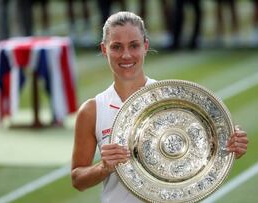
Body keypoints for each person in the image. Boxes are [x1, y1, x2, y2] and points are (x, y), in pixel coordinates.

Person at [71, 11, 248, 203]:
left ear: (145, 46)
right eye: (116, 47)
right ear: (104, 49)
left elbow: (202, 147)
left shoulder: (172, 99)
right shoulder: (92, 110)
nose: (126, 55)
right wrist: (103, 168)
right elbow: (78, 179)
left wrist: (229, 145)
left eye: (134, 45)